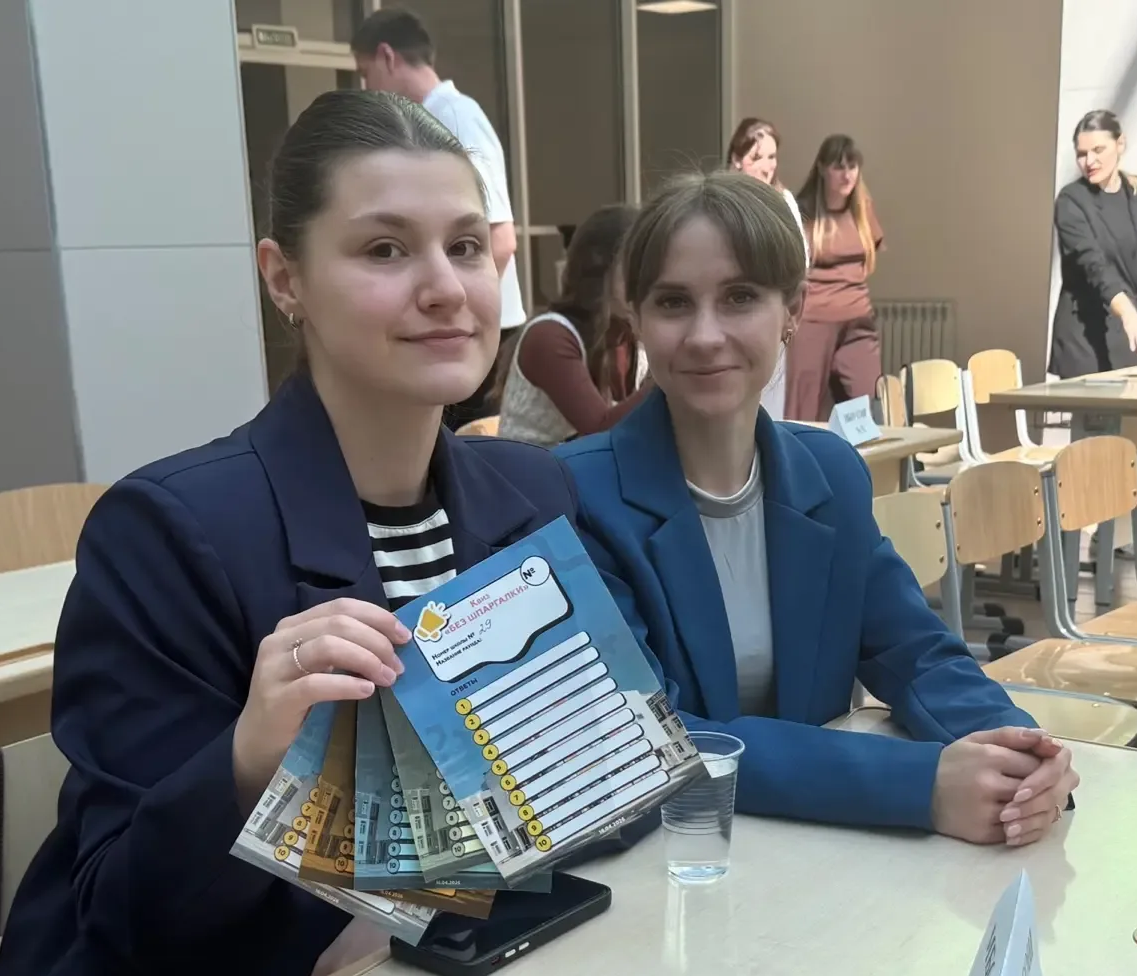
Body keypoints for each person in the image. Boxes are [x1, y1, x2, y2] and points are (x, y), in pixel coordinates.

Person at [0, 90, 596, 976]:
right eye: (386, 250)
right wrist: (250, 760)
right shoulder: (169, 534)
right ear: (284, 279)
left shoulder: (534, 492)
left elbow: (581, 786)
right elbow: (126, 929)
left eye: (466, 247)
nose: (446, 288)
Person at [557, 171, 1078, 839]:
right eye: (673, 302)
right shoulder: (577, 495)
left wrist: (1018, 754)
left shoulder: (829, 473)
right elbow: (653, 738)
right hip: (680, 858)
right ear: (636, 316)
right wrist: (918, 786)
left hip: (819, 851)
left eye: (740, 297)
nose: (706, 335)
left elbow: (917, 653)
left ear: (793, 309)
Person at [353, 6, 523, 430]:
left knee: (464, 449)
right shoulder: (435, 120)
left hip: (475, 331)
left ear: (387, 56)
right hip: (462, 328)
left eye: (365, 73)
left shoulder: (454, 119)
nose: (366, 88)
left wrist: (459, 313)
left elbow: (500, 239)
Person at [1049, 109, 1137, 377]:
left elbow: (1132, 252)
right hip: (1086, 339)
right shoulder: (1071, 201)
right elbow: (1094, 264)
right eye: (1081, 154)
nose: (1089, 161)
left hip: (1128, 335)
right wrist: (1128, 313)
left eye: (1098, 150)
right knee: (1096, 406)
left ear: (1120, 144)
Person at [495, 204, 648, 446]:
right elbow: (600, 430)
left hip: (591, 467)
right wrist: (667, 377)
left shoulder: (628, 331)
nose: (647, 281)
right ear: (601, 270)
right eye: (636, 268)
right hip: (532, 468)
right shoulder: (549, 336)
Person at [787, 134, 882, 422]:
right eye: (838, 167)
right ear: (822, 168)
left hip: (858, 321)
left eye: (852, 166)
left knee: (864, 404)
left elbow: (870, 253)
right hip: (813, 321)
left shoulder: (862, 208)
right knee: (806, 405)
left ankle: (856, 451)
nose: (847, 175)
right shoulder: (803, 211)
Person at [725, 116, 802, 420]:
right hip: (730, 316)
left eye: (772, 157)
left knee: (770, 403)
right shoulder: (721, 203)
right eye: (757, 157)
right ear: (737, 159)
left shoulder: (785, 201)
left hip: (770, 315)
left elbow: (801, 262)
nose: (767, 166)